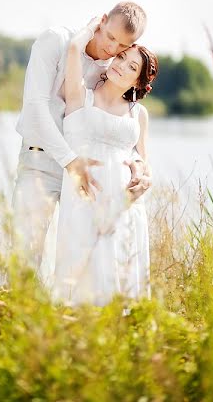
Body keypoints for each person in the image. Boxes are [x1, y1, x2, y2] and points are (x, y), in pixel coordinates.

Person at [12, 2, 152, 271]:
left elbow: (117, 123)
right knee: (26, 257)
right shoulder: (56, 40)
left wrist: (138, 163)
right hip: (41, 162)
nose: (112, 49)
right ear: (101, 21)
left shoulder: (114, 68)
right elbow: (35, 107)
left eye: (122, 47)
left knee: (86, 262)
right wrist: (69, 161)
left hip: (88, 176)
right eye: (110, 37)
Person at [51, 19, 158, 306]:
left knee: (122, 285)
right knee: (83, 282)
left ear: (138, 81)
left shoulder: (138, 115)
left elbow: (144, 163)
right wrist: (94, 25)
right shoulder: (80, 96)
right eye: (121, 56)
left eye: (132, 67)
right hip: (86, 201)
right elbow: (74, 47)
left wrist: (143, 174)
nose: (121, 65)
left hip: (125, 208)